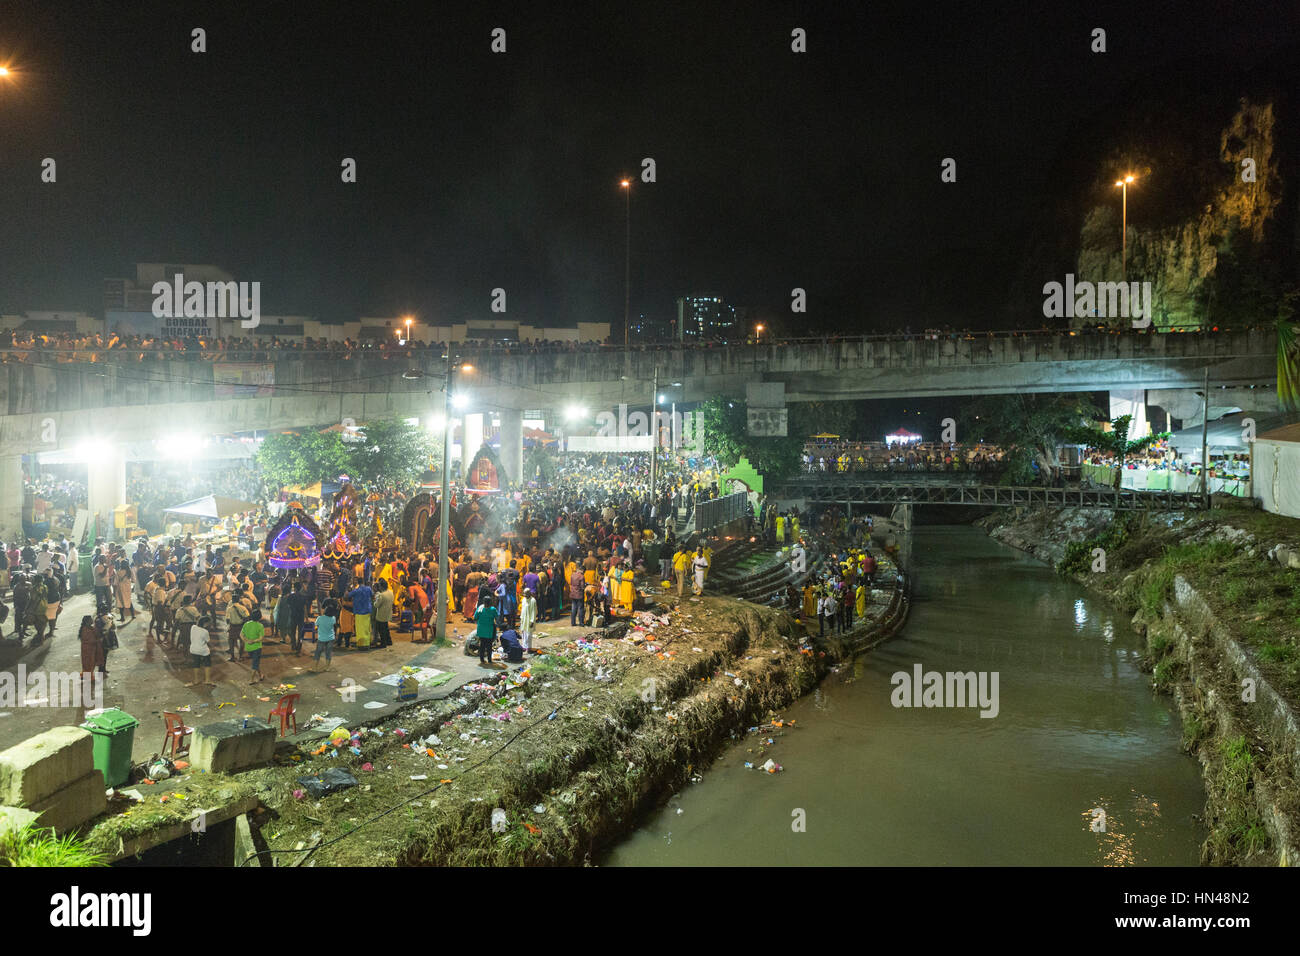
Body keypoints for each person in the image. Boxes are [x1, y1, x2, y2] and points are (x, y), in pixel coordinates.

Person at [78, 614, 104, 703]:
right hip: (88, 649)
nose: (92, 621)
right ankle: (89, 677)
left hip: (91, 649)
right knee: (89, 663)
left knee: (89, 663)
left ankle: (86, 674)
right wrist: (97, 641)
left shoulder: (90, 628)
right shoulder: (85, 630)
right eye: (90, 620)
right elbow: (89, 640)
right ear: (87, 622)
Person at [187, 615, 213, 687]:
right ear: (205, 624)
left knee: (196, 664)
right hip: (203, 650)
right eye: (209, 623)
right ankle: (207, 680)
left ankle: (196, 680)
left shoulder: (193, 627)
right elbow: (208, 641)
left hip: (193, 649)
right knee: (207, 663)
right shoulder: (205, 631)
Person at [241, 608, 266, 684]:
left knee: (255, 662)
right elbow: (261, 638)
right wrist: (254, 641)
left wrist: (246, 641)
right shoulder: (260, 626)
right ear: (260, 617)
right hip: (256, 647)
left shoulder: (246, 624)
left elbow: (241, 635)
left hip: (248, 647)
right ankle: (251, 680)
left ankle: (260, 675)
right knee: (255, 664)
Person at [348, 578, 374, 649]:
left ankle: (361, 645)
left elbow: (348, 596)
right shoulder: (368, 589)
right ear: (363, 581)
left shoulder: (356, 591)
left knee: (360, 629)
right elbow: (372, 595)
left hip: (359, 611)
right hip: (367, 611)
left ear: (358, 583)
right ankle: (367, 643)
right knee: (367, 628)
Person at [474, 594, 499, 667]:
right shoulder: (493, 609)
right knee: (489, 645)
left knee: (482, 645)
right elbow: (497, 617)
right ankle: (489, 659)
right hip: (489, 630)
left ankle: (482, 659)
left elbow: (475, 617)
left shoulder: (480, 608)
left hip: (481, 630)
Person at [313, 599, 337, 671]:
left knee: (318, 652)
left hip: (321, 638)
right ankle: (327, 667)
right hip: (330, 638)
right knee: (328, 653)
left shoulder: (320, 618)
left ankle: (315, 667)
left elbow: (316, 626)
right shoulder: (333, 618)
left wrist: (317, 628)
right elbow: (333, 625)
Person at [372, 579, 394, 649]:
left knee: (381, 630)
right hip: (388, 613)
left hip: (381, 615)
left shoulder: (382, 595)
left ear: (381, 586)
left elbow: (376, 605)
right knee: (386, 628)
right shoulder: (390, 592)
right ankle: (389, 641)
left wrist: (375, 600)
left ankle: (383, 643)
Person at [519, 588, 537, 654]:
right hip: (524, 619)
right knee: (524, 633)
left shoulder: (533, 600)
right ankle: (524, 646)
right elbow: (522, 609)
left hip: (529, 619)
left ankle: (529, 647)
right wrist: (521, 618)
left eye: (526, 594)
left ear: (529, 593)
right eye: (524, 594)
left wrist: (532, 621)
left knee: (529, 634)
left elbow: (533, 611)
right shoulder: (524, 600)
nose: (524, 595)